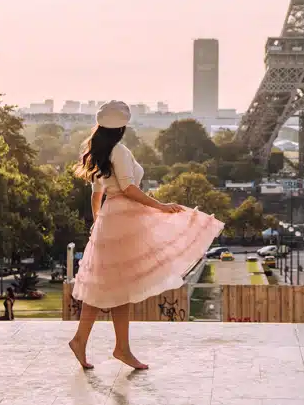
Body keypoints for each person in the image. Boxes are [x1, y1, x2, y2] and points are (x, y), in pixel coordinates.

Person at [68, 100, 223, 371]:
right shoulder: (119, 150)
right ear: (122, 127)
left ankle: (89, 341)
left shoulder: (100, 151)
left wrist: (98, 223)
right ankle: (117, 347)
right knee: (118, 287)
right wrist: (160, 206)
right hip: (124, 219)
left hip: (110, 220)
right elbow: (128, 187)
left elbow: (97, 194)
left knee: (104, 287)